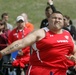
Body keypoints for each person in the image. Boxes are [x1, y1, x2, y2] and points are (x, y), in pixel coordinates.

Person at [0, 11, 76, 75]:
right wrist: (2, 53)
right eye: (54, 18)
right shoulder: (41, 33)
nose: (57, 20)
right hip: (41, 70)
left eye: (60, 19)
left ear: (63, 21)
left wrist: (74, 57)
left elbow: (74, 50)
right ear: (48, 20)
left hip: (60, 71)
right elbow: (21, 43)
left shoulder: (67, 34)